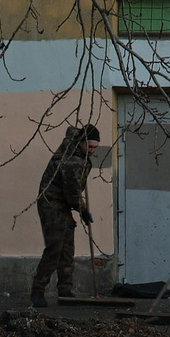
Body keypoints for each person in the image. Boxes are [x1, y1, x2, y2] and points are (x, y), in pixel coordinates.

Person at [31, 123, 101, 306]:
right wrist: (84, 211)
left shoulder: (79, 155)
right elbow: (72, 193)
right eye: (90, 146)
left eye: (95, 147)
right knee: (55, 247)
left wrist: (81, 208)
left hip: (63, 205)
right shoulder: (71, 161)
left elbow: (73, 192)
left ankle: (65, 291)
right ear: (81, 142)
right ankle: (38, 291)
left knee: (67, 247)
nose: (93, 151)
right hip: (51, 204)